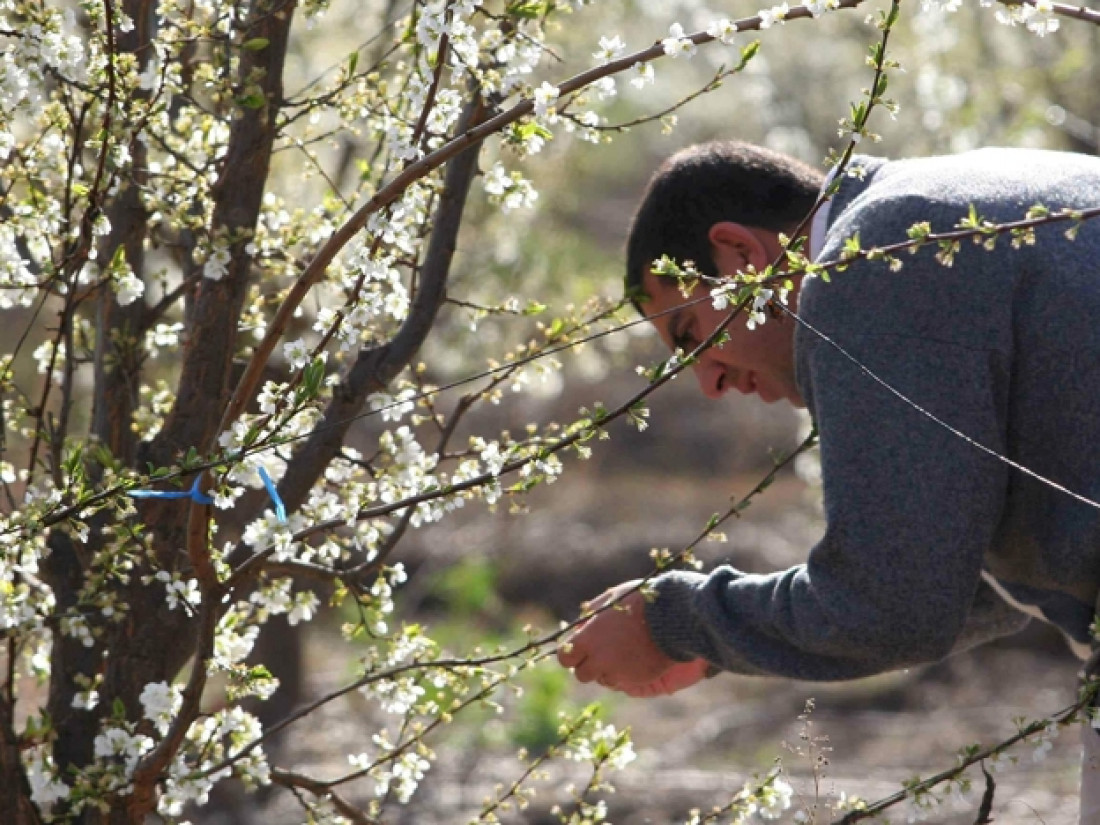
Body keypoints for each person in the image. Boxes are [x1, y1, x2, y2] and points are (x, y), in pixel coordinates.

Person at [556, 141, 1100, 817]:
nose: (710, 383)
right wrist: (729, 641)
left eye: (694, 335)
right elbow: (949, 583)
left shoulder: (865, 263)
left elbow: (895, 606)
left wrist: (676, 619)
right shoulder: (936, 207)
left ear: (742, 256)